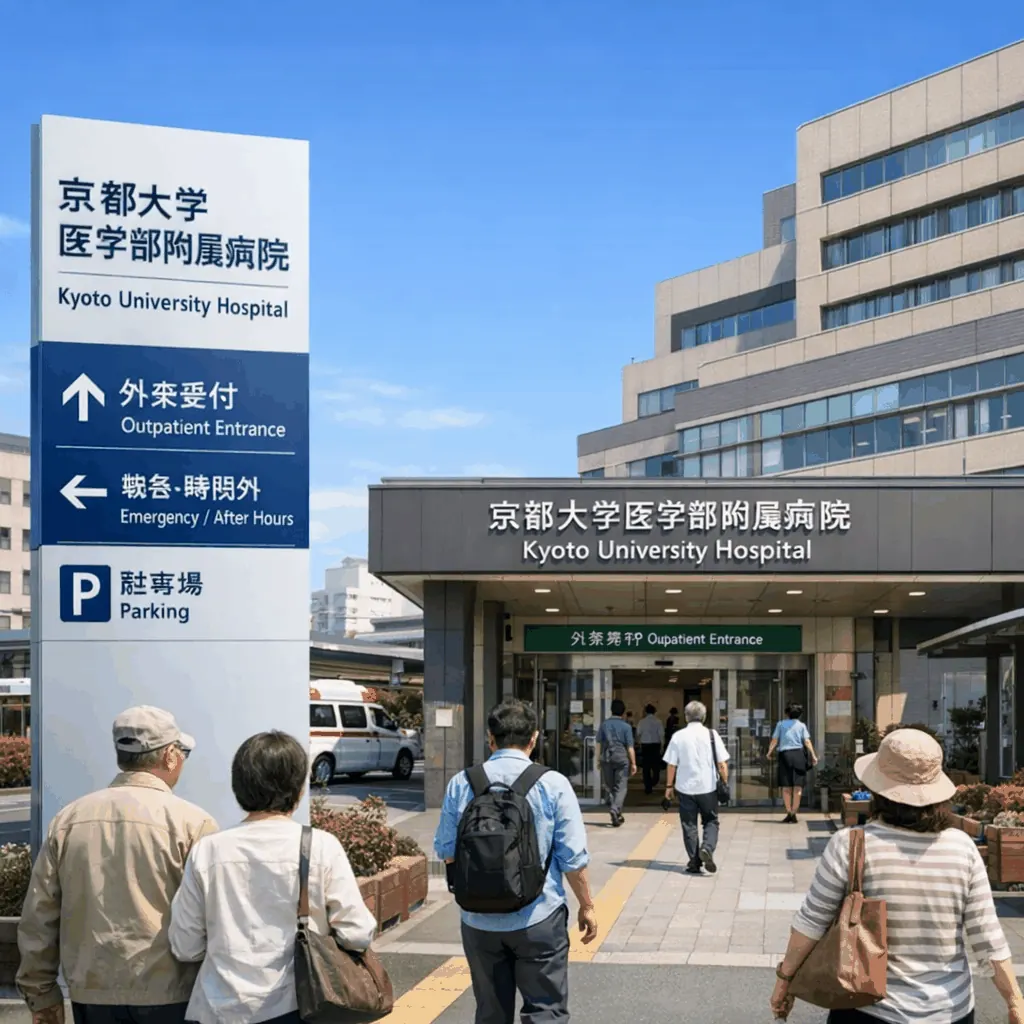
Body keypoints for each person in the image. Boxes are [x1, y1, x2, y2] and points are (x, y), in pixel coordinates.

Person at [770, 728, 1024, 1024]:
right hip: (950, 1010)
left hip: (866, 1006)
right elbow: (986, 935)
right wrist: (1014, 1000)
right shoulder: (962, 849)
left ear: (878, 789)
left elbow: (810, 923)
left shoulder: (851, 844)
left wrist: (784, 979)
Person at [17, 706, 217, 1024]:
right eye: (182, 752)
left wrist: (40, 994)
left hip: (91, 993)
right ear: (169, 756)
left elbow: (39, 916)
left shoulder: (68, 820)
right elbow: (213, 917)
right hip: (172, 994)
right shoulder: (194, 822)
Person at [169, 731, 376, 1024]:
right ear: (299, 789)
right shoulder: (320, 846)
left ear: (238, 785)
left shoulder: (208, 851)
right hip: (300, 1007)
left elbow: (185, 945)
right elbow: (357, 934)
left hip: (219, 1009)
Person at [435, 698, 598, 1024]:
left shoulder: (462, 782)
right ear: (534, 738)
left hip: (478, 921)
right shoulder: (553, 784)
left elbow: (445, 849)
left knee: (491, 1013)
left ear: (490, 739)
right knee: (545, 1012)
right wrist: (587, 905)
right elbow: (572, 859)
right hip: (539, 918)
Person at [663, 701, 729, 876]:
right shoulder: (712, 734)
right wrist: (725, 781)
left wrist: (668, 787)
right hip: (708, 787)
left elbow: (671, 765)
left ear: (686, 717)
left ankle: (694, 862)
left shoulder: (678, 736)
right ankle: (707, 848)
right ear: (704, 716)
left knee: (689, 824)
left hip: (685, 788)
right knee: (711, 820)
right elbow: (722, 764)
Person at [766, 703, 818, 824]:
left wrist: (769, 752)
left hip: (785, 756)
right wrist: (813, 755)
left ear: (787, 714)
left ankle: (789, 812)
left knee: (786, 787)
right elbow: (807, 741)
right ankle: (794, 813)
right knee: (797, 787)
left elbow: (775, 740)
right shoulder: (801, 725)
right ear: (799, 715)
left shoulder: (781, 724)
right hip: (799, 756)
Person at [596, 698, 637, 827]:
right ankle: (615, 810)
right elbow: (630, 747)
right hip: (621, 759)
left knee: (611, 787)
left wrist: (598, 759)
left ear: (611, 710)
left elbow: (598, 744)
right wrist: (634, 763)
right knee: (621, 787)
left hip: (606, 758)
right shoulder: (626, 727)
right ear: (623, 712)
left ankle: (617, 813)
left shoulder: (604, 725)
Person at [636, 705, 665, 795]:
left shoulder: (641, 722)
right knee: (656, 766)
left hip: (645, 746)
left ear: (645, 711)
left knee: (646, 768)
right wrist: (662, 747)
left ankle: (648, 787)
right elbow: (661, 735)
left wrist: (639, 744)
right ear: (655, 711)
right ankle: (654, 781)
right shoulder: (658, 722)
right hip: (656, 746)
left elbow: (638, 733)